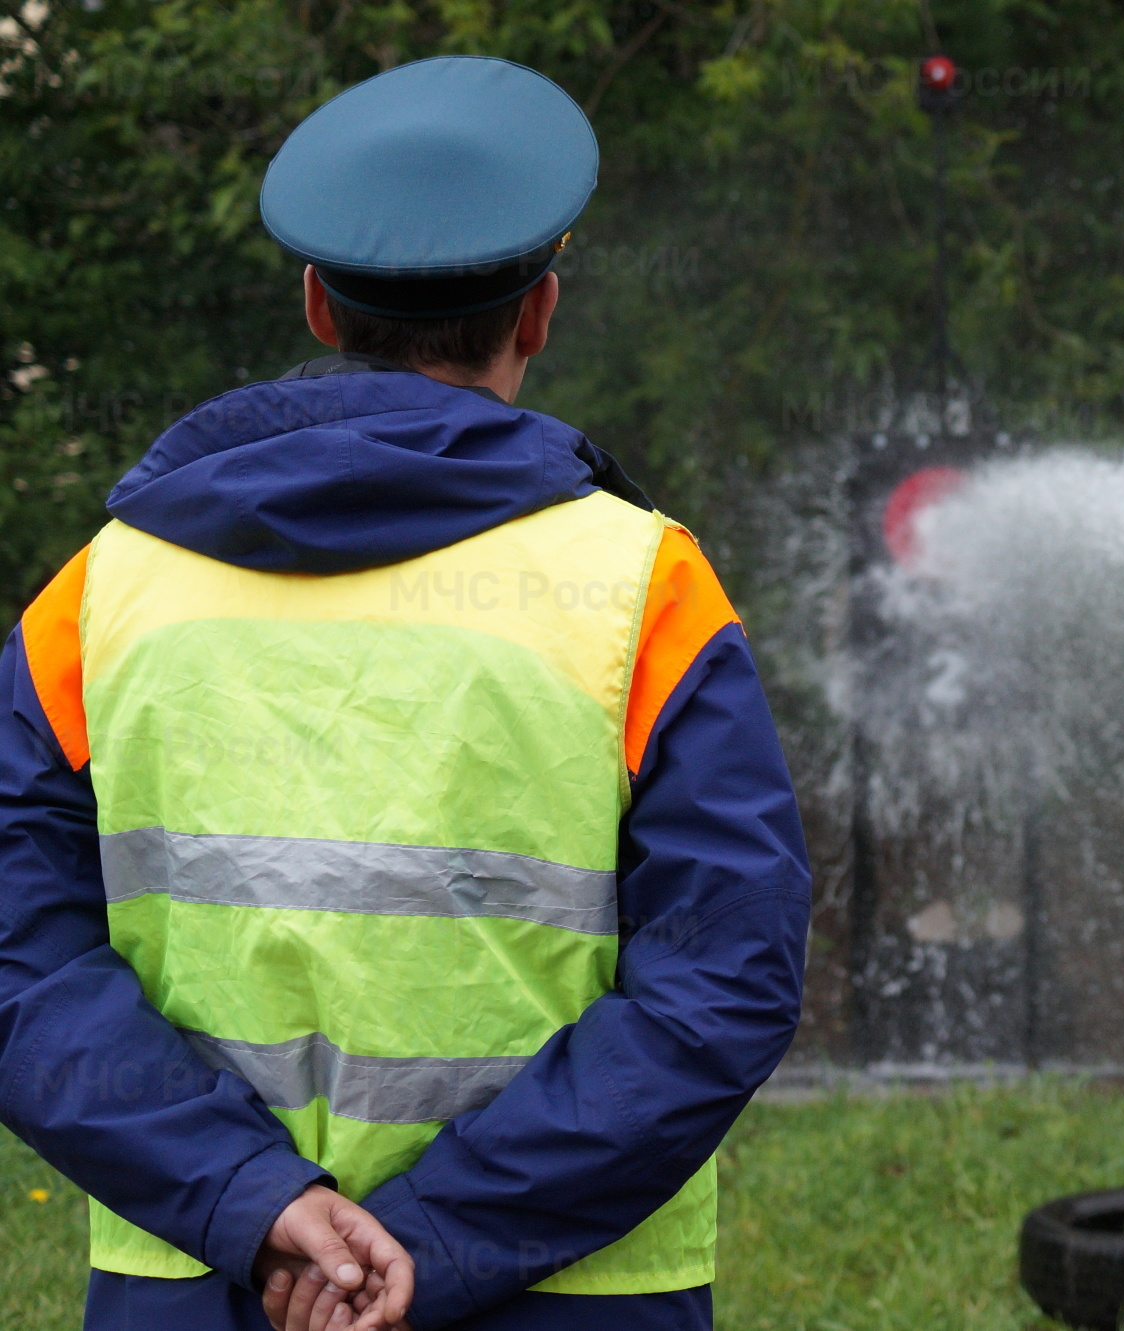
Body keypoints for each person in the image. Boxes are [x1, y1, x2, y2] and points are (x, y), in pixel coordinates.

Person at [0, 56, 812, 1331]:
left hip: (203, 1282)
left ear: (318, 304)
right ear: (538, 312)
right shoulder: (644, 587)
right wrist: (446, 1236)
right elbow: (726, 972)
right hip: (564, 1291)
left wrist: (250, 1196)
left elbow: (19, 956)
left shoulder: (98, 595)